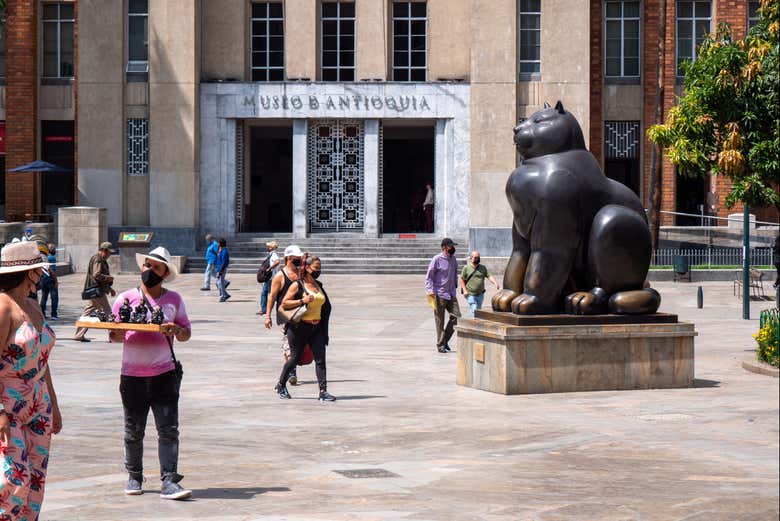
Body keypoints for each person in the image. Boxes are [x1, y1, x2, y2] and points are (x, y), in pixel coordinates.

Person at [108, 246, 193, 500]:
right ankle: (134, 476)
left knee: (168, 430)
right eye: (147, 265)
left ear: (165, 273)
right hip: (132, 375)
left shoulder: (174, 300)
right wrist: (118, 331)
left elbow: (186, 333)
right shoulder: (125, 298)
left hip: (164, 374)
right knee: (133, 430)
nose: (150, 271)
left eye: (156, 268)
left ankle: (169, 480)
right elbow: (113, 335)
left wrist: (175, 330)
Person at [0, 241, 63, 519]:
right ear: (30, 272)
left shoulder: (34, 307)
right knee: (13, 480)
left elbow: (42, 361)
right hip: (9, 406)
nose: (43, 274)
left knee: (35, 483)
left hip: (40, 404)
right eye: (40, 269)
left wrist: (55, 405)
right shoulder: (3, 308)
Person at [275, 255, 335, 402]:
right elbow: (284, 304)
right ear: (307, 268)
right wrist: (303, 300)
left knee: (320, 360)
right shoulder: (297, 285)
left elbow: (326, 306)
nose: (318, 271)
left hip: (317, 328)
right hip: (299, 328)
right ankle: (281, 384)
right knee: (294, 359)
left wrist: (324, 331)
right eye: (316, 268)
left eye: (320, 268)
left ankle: (323, 391)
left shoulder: (318, 285)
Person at [265, 245, 303, 385]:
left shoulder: (301, 273)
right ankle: (291, 372)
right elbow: (272, 297)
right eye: (296, 258)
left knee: (298, 344)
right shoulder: (280, 276)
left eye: (299, 258)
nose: (298, 260)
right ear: (288, 258)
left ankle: (290, 368)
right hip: (286, 315)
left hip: (301, 313)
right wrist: (267, 315)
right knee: (288, 343)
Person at [73, 242, 116, 342]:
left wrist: (110, 289)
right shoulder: (98, 259)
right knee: (108, 311)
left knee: (87, 312)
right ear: (104, 251)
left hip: (96, 290)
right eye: (109, 253)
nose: (110, 255)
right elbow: (96, 275)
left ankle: (79, 334)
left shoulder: (100, 259)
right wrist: (108, 278)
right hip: (97, 291)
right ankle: (113, 336)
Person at [425, 238, 461, 353]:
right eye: (451, 246)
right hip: (439, 294)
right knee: (439, 320)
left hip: (450, 293)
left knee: (457, 317)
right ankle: (441, 345)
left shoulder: (454, 259)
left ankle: (444, 340)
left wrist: (455, 284)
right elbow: (429, 276)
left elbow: (455, 272)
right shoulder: (437, 259)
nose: (453, 248)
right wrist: (430, 290)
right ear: (444, 247)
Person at [460, 251, 500, 317]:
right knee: (474, 307)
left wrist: (495, 283)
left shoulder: (482, 268)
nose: (477, 259)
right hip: (470, 293)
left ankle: (474, 322)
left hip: (480, 294)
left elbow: (489, 276)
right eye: (475, 257)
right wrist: (464, 290)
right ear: (471, 258)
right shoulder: (466, 268)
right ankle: (473, 324)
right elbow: (462, 280)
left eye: (478, 257)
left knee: (478, 310)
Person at [258, 241, 281, 315]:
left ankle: (281, 306)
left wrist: (270, 268)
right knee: (266, 293)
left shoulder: (274, 254)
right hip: (270, 277)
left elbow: (277, 261)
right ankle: (264, 308)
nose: (268, 248)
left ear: (271, 247)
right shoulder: (271, 254)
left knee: (271, 294)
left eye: (269, 246)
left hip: (271, 277)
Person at [39, 243, 59, 320]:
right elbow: (52, 271)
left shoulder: (44, 257)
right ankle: (54, 315)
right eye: (53, 248)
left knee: (44, 297)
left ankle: (42, 313)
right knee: (54, 297)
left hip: (43, 279)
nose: (54, 249)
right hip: (50, 280)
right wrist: (56, 281)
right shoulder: (52, 258)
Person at [215, 238, 230, 302]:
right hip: (219, 268)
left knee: (220, 283)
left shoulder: (225, 251)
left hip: (222, 269)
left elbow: (224, 262)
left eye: (218, 243)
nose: (217, 244)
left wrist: (221, 271)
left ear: (221, 244)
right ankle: (225, 292)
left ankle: (223, 296)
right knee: (218, 282)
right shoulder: (221, 250)